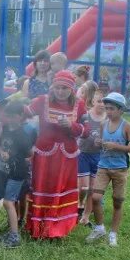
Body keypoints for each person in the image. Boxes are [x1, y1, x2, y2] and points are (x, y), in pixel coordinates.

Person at [26, 70, 88, 239]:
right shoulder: (41, 101)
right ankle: (38, 227)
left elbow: (87, 131)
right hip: (44, 155)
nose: (60, 92)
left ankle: (59, 228)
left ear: (72, 89)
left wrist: (71, 126)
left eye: (65, 88)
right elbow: (23, 113)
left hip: (67, 156)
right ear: (52, 87)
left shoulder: (79, 105)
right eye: (57, 88)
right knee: (42, 186)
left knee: (62, 188)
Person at [85, 93, 130, 247]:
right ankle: (100, 227)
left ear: (121, 110)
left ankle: (113, 233)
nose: (109, 111)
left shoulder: (127, 126)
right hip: (103, 166)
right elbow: (102, 144)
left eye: (112, 109)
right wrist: (98, 142)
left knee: (117, 202)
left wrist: (115, 146)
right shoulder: (103, 124)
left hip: (120, 169)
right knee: (95, 197)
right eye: (107, 108)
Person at [0, 101, 37, 248]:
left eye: (13, 116)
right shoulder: (6, 128)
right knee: (9, 202)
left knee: (8, 202)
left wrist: (15, 156)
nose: (10, 119)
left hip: (17, 173)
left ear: (21, 116)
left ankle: (15, 237)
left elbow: (30, 153)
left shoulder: (22, 135)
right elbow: (2, 144)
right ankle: (12, 231)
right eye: (8, 116)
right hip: (7, 171)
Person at [77, 82, 105, 225]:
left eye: (104, 102)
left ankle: (86, 216)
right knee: (83, 187)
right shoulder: (85, 116)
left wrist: (103, 143)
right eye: (99, 101)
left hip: (98, 157)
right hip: (83, 154)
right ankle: (79, 204)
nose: (102, 104)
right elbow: (77, 131)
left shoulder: (107, 120)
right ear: (93, 101)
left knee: (92, 189)